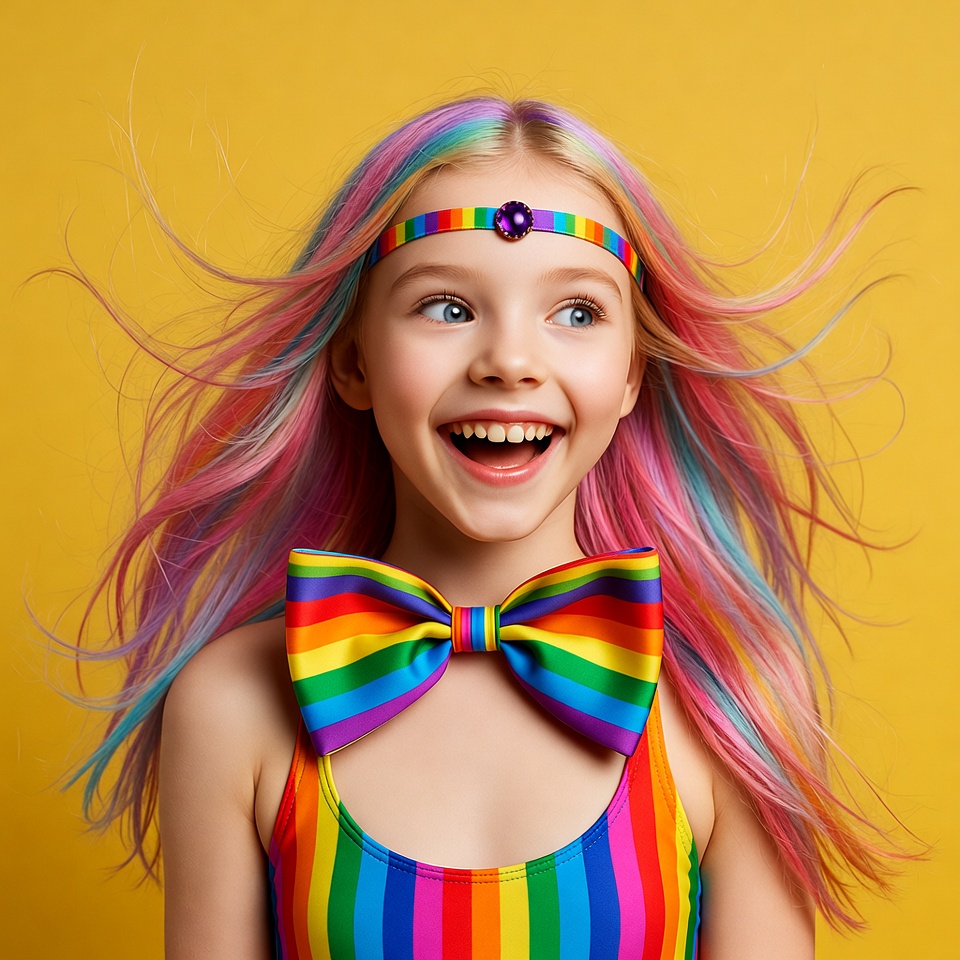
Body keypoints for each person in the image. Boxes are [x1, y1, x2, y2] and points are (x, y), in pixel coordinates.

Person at [69, 96, 897, 959]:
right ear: (354, 360)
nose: (509, 361)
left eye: (576, 312)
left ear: (630, 374)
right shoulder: (232, 703)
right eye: (447, 308)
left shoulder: (734, 693)